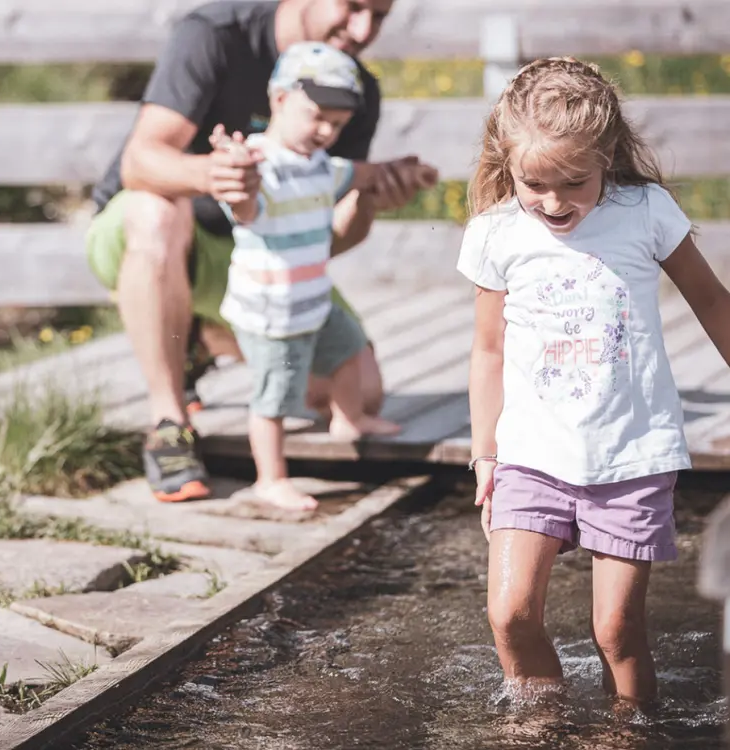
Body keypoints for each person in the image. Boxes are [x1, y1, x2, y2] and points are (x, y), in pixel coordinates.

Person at [458, 56, 730, 707]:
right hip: (529, 456)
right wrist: (485, 454)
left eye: (574, 183)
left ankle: (627, 734)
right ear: (507, 162)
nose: (554, 203)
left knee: (616, 631)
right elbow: (488, 350)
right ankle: (539, 728)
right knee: (510, 616)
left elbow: (712, 301)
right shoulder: (496, 232)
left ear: (606, 157)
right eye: (534, 184)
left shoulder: (646, 211)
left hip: (632, 455)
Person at [85, 0, 426, 503]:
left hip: (256, 259)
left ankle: (201, 336)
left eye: (379, 16)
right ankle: (168, 421)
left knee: (360, 391)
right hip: (145, 236)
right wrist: (218, 175)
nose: (362, 29)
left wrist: (369, 200)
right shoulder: (214, 35)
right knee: (158, 213)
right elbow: (139, 162)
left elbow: (324, 238)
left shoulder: (353, 89)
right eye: (353, 5)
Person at [213, 41, 437, 510]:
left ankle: (349, 419)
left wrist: (403, 171)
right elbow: (245, 207)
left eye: (336, 125)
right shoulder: (259, 161)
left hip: (313, 298)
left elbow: (360, 174)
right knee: (274, 395)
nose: (325, 131)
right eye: (316, 117)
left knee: (350, 350)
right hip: (272, 312)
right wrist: (239, 180)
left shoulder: (319, 165)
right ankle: (270, 478)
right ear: (279, 99)